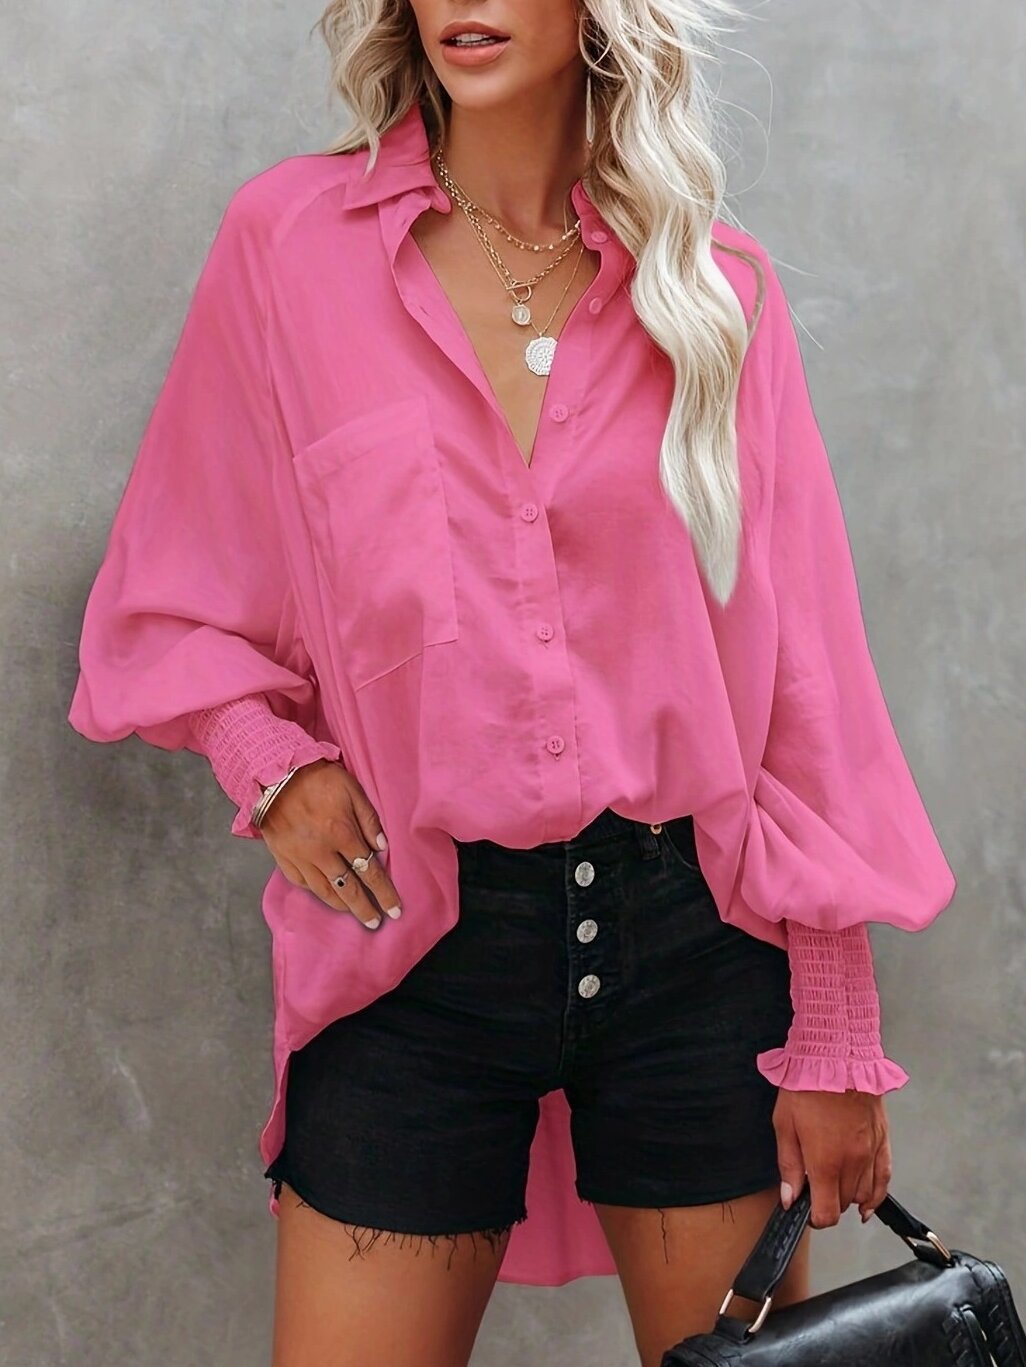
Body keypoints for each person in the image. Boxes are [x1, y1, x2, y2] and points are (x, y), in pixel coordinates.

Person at [66, 1, 958, 1363]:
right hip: (411, 945)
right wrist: (269, 760)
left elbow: (804, 683)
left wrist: (832, 1025)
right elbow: (174, 583)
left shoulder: (714, 289)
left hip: (694, 947)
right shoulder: (289, 247)